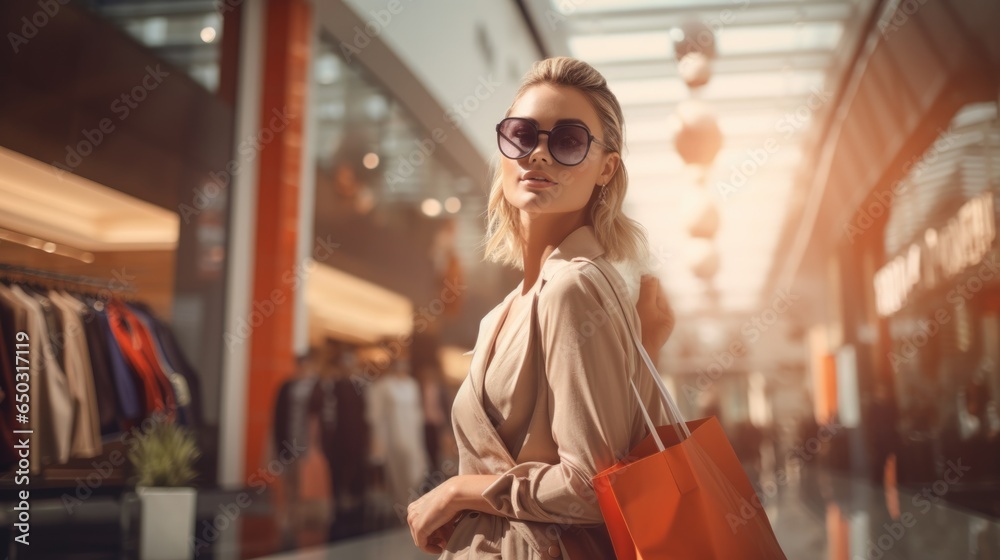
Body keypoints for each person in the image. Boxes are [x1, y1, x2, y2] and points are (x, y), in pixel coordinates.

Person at [405, 57, 676, 559]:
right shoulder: (503, 311)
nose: (539, 155)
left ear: (606, 168)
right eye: (522, 136)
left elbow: (592, 486)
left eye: (569, 141)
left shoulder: (573, 288)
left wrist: (457, 492)